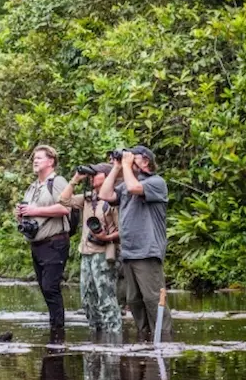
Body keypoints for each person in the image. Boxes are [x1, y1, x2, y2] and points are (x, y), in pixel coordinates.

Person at [100, 146, 172, 342]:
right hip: (129, 253)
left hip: (147, 252)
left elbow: (134, 188)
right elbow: (105, 195)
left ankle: (163, 340)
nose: (129, 159)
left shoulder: (157, 183)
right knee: (134, 301)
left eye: (134, 157)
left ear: (146, 161)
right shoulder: (125, 185)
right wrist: (116, 167)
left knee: (153, 300)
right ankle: (144, 339)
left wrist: (126, 165)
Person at [59, 164, 122, 337]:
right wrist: (76, 179)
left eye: (97, 173)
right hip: (86, 253)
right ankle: (97, 336)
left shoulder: (113, 200)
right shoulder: (89, 198)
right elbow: (64, 200)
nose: (92, 176)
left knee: (106, 299)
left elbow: (124, 229)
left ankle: (114, 338)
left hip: (104, 253)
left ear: (108, 176)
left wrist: (106, 237)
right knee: (87, 300)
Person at [16, 145, 71, 338]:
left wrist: (34, 211)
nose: (35, 161)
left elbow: (66, 208)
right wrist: (21, 215)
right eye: (34, 159)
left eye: (40, 158)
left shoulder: (57, 182)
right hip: (37, 244)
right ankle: (54, 328)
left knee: (50, 287)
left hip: (55, 242)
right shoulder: (33, 187)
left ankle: (58, 331)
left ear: (51, 161)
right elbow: (28, 214)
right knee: (44, 288)